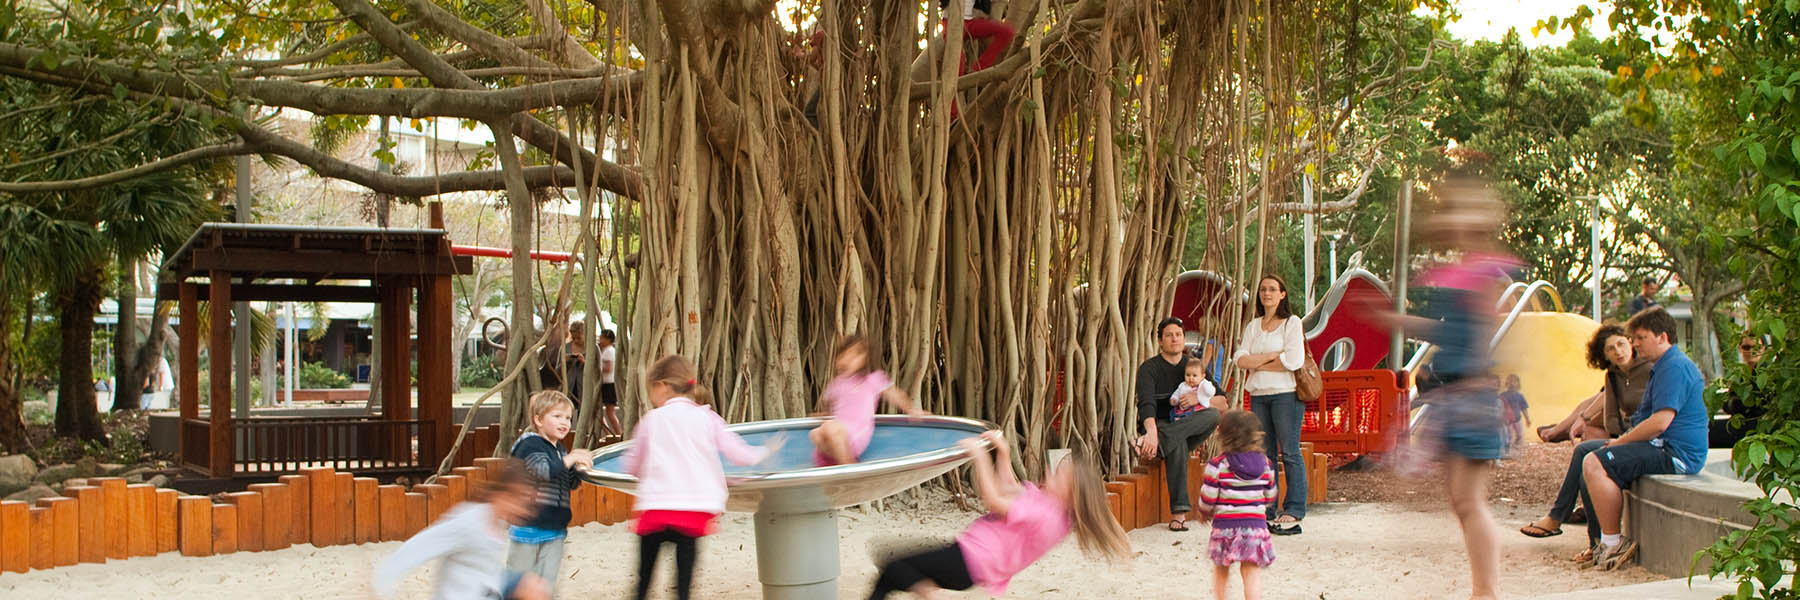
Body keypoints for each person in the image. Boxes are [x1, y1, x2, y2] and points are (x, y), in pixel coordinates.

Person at [1363, 174, 1521, 600]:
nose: (1453, 220)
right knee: (1461, 503)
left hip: (1468, 397)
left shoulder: (1484, 271)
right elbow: (1447, 330)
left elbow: (1471, 334)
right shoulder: (1463, 270)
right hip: (1453, 395)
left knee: (1469, 503)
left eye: (1462, 212)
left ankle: (1485, 592)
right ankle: (1482, 589)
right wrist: (1399, 322)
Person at [866, 431, 1130, 599]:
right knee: (892, 571)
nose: (1048, 474)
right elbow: (1010, 489)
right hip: (969, 563)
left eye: (1057, 476)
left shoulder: (1047, 516)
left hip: (968, 561)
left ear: (1071, 494)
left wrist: (980, 458)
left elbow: (994, 500)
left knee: (893, 566)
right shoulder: (1048, 505)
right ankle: (921, 587)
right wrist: (1002, 453)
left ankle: (923, 589)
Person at [622, 355, 783, 600]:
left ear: (662, 386)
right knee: (684, 584)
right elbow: (741, 455)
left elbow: (632, 464)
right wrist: (765, 451)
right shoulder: (708, 418)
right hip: (693, 513)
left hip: (655, 510)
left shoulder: (651, 420)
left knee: (643, 580)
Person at [1578, 307, 1709, 571]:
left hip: (1675, 454)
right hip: (1663, 448)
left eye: (1640, 337)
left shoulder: (1674, 367)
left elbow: (1660, 423)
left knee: (1594, 462)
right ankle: (1599, 541)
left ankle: (1612, 544)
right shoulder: (1664, 366)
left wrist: (1620, 442)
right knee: (1587, 456)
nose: (1634, 343)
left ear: (1661, 336)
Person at [1519, 324, 1652, 541]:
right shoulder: (1613, 377)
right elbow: (1610, 420)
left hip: (1647, 439)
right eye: (1610, 349)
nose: (1618, 351)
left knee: (1585, 454)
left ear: (1630, 342)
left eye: (1620, 344)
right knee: (1586, 467)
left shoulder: (1650, 370)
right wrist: (1617, 432)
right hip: (1627, 439)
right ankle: (1595, 543)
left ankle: (1556, 518)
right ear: (1604, 355)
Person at [373, 459, 550, 600]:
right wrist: (384, 582)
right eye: (522, 504)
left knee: (533, 585)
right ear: (504, 495)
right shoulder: (470, 521)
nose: (525, 511)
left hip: (487, 589)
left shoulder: (498, 522)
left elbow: (484, 567)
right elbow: (419, 545)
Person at [1232, 274, 1308, 535]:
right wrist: (1272, 357)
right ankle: (1267, 508)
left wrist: (1257, 361)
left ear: (1282, 294)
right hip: (1259, 395)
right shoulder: (1253, 326)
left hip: (1286, 394)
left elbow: (1294, 361)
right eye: (1263, 289)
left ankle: (1295, 508)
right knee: (1265, 456)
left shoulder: (1291, 323)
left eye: (1273, 289)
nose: (1267, 293)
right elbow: (1240, 359)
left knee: (1289, 452)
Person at [1135, 317, 1224, 532]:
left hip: (1189, 425)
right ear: (1159, 341)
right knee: (1178, 446)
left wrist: (1199, 400)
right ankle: (1179, 514)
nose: (1174, 339)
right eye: (1169, 335)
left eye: (1178, 335)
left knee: (1212, 415)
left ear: (1184, 339)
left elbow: (1222, 401)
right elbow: (1147, 405)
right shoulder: (1149, 368)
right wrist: (1152, 433)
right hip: (1160, 425)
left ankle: (1160, 444)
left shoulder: (1194, 366)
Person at [506, 391, 594, 595]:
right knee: (519, 584)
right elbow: (543, 472)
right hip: (528, 528)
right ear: (538, 419)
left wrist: (578, 469)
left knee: (545, 586)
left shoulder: (559, 450)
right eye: (557, 416)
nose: (564, 422)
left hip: (554, 530)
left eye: (568, 418)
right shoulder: (529, 444)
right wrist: (570, 460)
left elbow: (568, 483)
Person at [1197, 410, 1277, 600]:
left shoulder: (1217, 465)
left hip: (1225, 528)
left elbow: (1208, 497)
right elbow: (1270, 494)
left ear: (1223, 436)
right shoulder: (1265, 464)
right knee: (1251, 572)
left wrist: (1204, 512)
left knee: (1221, 569)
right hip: (1255, 528)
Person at [811, 335, 927, 466]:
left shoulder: (872, 380)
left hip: (855, 434)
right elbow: (833, 408)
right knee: (815, 434)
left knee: (830, 428)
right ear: (837, 359)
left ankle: (849, 466)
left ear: (864, 360)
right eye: (844, 355)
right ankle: (835, 463)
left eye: (854, 355)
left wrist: (911, 409)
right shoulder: (837, 383)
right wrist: (823, 415)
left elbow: (895, 395)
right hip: (836, 436)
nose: (848, 359)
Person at [1709, 334, 1766, 449]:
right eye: (1746, 347)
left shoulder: (1767, 374)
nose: (1751, 351)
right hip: (1738, 423)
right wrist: (1734, 403)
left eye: (1756, 347)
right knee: (1704, 427)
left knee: (1707, 431)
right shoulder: (1741, 374)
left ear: (1763, 348)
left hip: (1758, 428)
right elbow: (1727, 404)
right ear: (1740, 348)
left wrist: (1735, 403)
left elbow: (1752, 406)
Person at [596, 329, 623, 440]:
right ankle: (610, 433)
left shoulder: (609, 351)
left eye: (602, 338)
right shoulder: (606, 350)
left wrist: (595, 367)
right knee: (604, 411)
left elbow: (608, 368)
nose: (600, 340)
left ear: (608, 339)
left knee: (610, 412)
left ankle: (617, 434)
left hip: (609, 383)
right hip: (606, 383)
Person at [1499, 375, 1531, 447]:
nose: (1512, 383)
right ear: (1506, 383)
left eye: (1514, 381)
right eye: (1510, 381)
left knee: (1520, 435)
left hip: (1517, 419)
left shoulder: (1520, 396)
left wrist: (1527, 419)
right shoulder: (1502, 395)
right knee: (1509, 435)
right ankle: (1508, 449)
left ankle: (1517, 446)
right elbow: (1499, 407)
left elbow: (1524, 408)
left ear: (1518, 383)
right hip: (1507, 420)